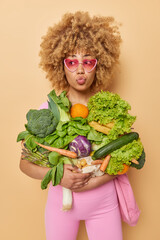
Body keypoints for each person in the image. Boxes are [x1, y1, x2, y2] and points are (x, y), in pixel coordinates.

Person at [20, 11, 123, 240]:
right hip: (61, 207)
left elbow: (122, 163)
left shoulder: (109, 108)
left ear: (99, 65)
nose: (79, 70)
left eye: (88, 61)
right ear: (60, 65)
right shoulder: (50, 109)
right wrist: (57, 175)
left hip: (105, 205)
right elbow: (24, 164)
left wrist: (95, 182)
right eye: (71, 62)